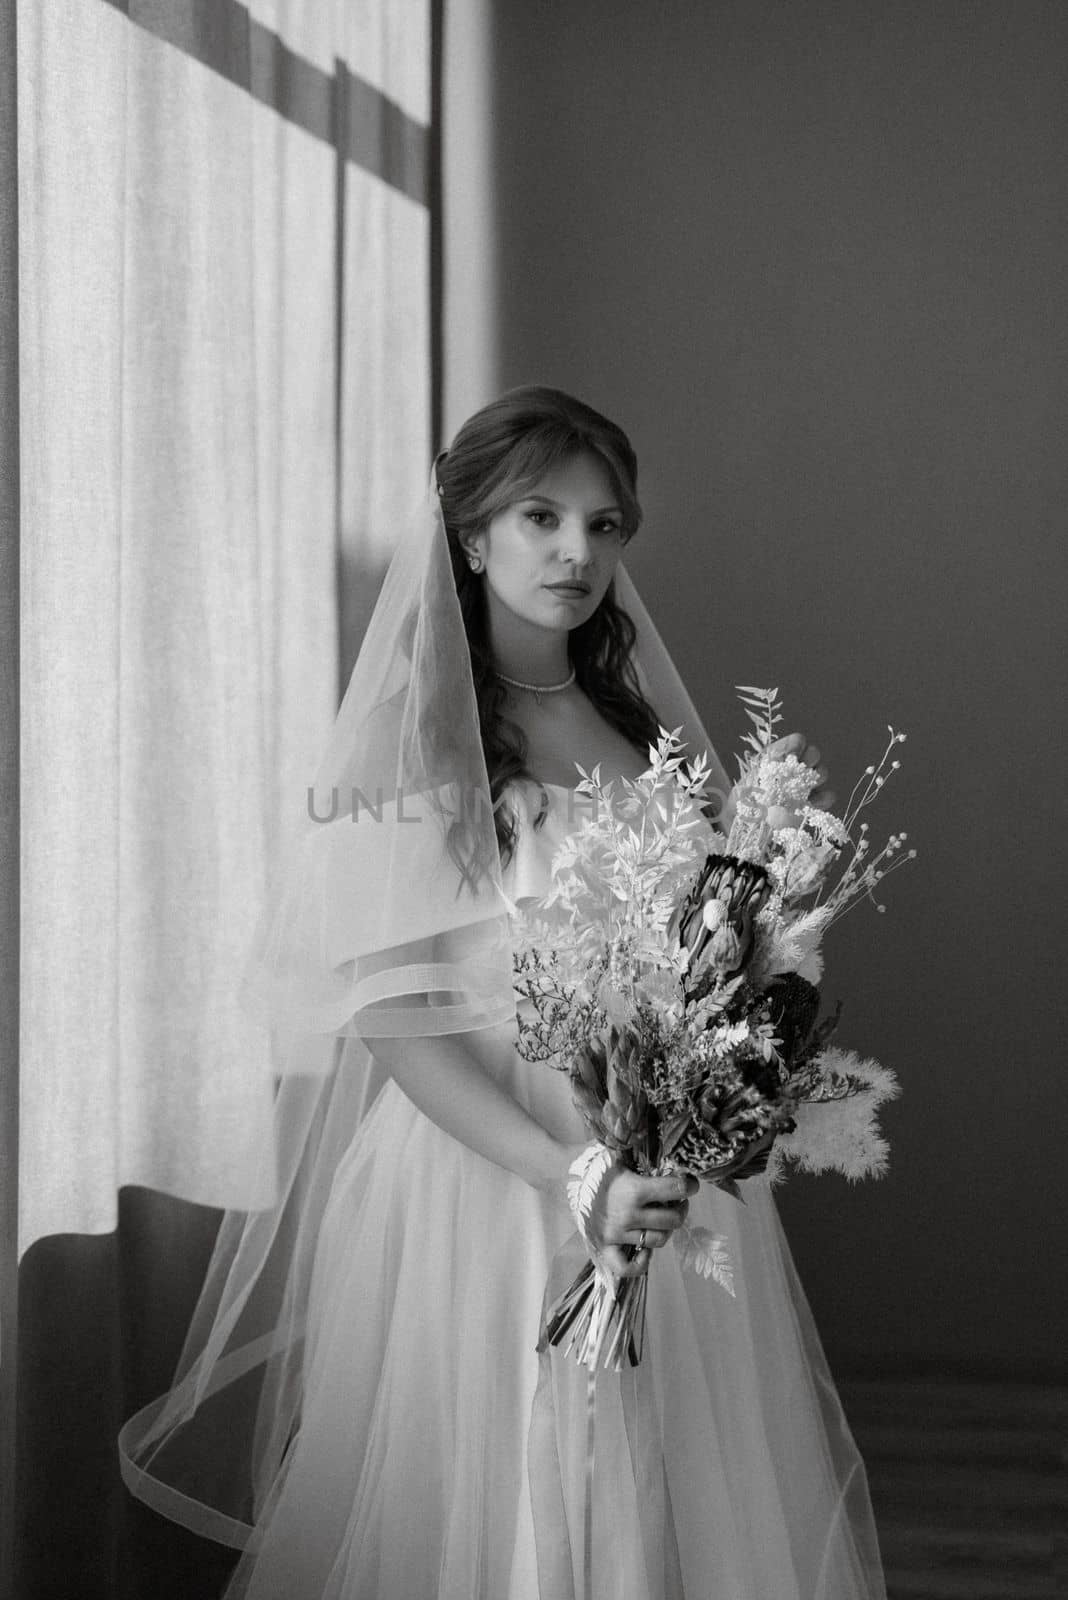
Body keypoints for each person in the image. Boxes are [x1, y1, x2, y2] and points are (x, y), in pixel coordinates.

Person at [119, 386, 887, 1599]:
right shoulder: (415, 740)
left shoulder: (640, 731)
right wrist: (573, 1172)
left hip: (653, 1159)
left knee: (659, 1473)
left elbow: (704, 946)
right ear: (473, 534)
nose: (579, 552)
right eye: (542, 516)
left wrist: (691, 1102)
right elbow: (388, 1014)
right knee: (510, 1481)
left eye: (605, 524)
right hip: (493, 1169)